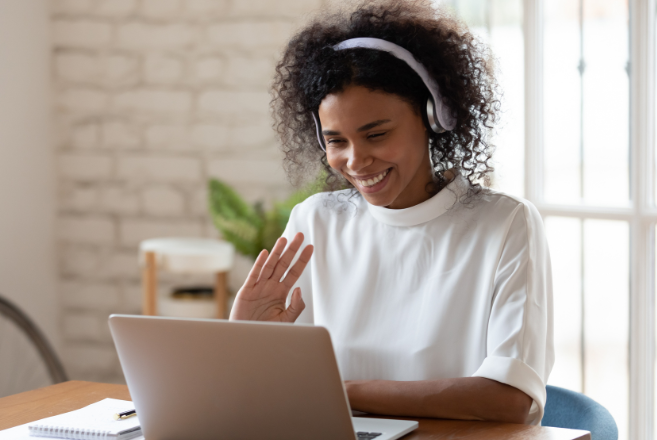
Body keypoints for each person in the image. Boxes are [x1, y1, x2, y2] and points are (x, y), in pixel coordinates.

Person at [229, 0, 553, 426]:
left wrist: (344, 394)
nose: (356, 160)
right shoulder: (316, 222)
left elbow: (509, 398)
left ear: (434, 118)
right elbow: (270, 395)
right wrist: (245, 340)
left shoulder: (505, 225)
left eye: (376, 134)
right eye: (336, 141)